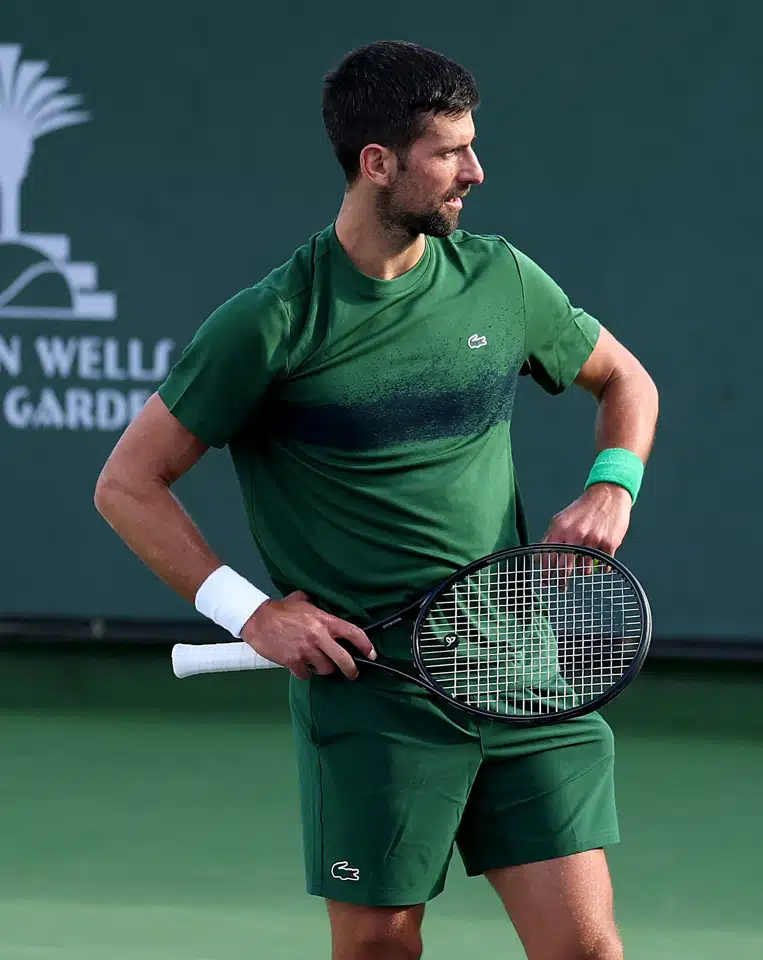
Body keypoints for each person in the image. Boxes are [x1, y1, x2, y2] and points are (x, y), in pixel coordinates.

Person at [94, 40, 658, 960]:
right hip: (373, 702)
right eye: (451, 152)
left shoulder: (503, 278)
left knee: (587, 952)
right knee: (377, 952)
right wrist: (252, 614)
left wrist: (611, 485)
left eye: (473, 147)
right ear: (377, 162)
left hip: (521, 671)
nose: (476, 171)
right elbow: (127, 484)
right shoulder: (272, 322)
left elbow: (627, 382)